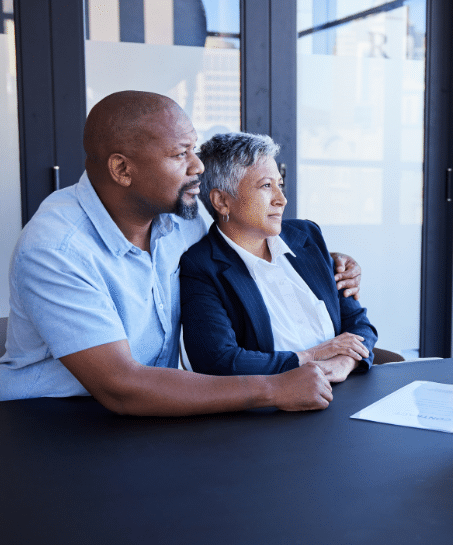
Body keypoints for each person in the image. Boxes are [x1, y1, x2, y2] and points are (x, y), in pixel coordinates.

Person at [0, 91, 361, 415]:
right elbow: (120, 386)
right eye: (180, 154)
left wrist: (327, 263)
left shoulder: (182, 217)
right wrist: (273, 387)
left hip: (157, 406)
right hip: (50, 421)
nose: (198, 167)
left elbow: (238, 254)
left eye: (194, 148)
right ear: (122, 169)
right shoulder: (55, 249)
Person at [179, 132, 377, 382]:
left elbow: (358, 322)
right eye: (266, 186)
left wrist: (344, 362)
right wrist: (311, 356)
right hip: (273, 410)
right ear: (221, 201)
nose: (281, 199)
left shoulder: (307, 236)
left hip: (347, 388)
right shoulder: (201, 266)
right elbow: (219, 361)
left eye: (279, 185)